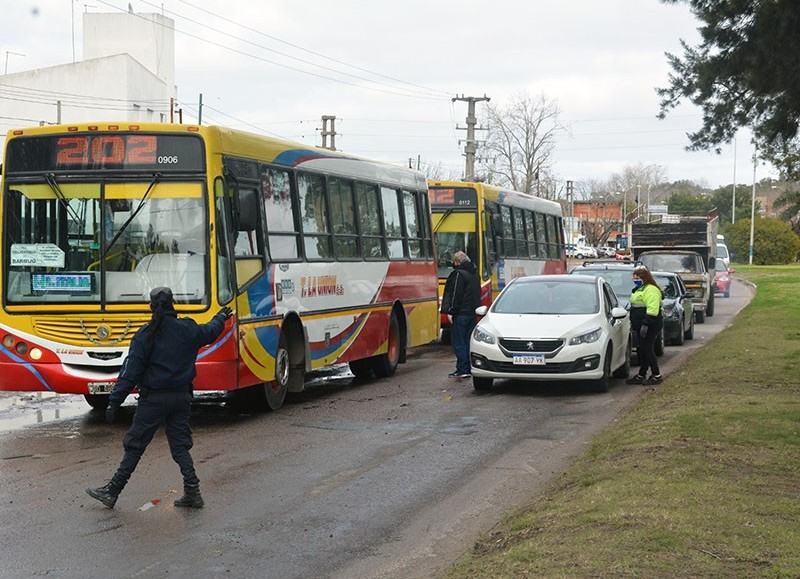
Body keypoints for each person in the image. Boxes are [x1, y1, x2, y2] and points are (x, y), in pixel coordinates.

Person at [86, 287, 233, 509]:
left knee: (135, 446)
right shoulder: (187, 328)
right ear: (173, 304)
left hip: (153, 401)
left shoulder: (146, 335)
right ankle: (193, 491)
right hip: (181, 397)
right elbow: (210, 331)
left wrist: (114, 401)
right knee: (180, 446)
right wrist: (220, 317)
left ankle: (113, 490)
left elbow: (130, 372)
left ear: (150, 307)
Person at [440, 251, 481, 379]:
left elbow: (456, 295)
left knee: (459, 343)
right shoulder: (475, 275)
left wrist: (451, 310)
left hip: (461, 314)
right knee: (468, 342)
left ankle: (462, 369)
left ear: (457, 262)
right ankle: (467, 368)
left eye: (454, 261)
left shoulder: (458, 275)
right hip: (472, 314)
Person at [626, 266, 664, 386]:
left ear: (645, 278)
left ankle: (656, 375)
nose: (635, 280)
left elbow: (652, 309)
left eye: (638, 278)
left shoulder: (651, 290)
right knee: (642, 350)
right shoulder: (640, 290)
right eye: (634, 278)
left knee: (647, 349)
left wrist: (646, 324)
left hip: (649, 324)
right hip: (641, 324)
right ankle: (642, 375)